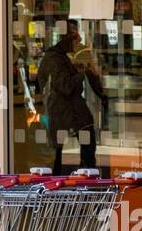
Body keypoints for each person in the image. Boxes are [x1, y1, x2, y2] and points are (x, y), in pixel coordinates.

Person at [36, 19, 103, 173]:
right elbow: (65, 86)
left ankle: (86, 177)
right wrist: (81, 69)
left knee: (87, 147)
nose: (79, 39)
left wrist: (92, 70)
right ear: (63, 38)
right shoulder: (53, 57)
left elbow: (97, 86)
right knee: (57, 156)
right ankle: (57, 185)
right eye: (74, 36)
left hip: (76, 113)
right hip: (61, 114)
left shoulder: (69, 55)